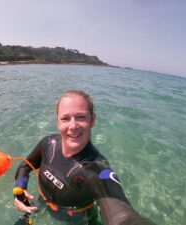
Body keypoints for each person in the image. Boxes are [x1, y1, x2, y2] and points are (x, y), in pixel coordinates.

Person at [14, 90, 156, 225]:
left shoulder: (95, 170)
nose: (73, 125)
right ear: (57, 121)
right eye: (65, 118)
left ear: (92, 120)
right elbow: (25, 166)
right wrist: (20, 191)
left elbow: (122, 216)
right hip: (41, 204)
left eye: (81, 117)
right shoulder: (48, 144)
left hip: (78, 220)